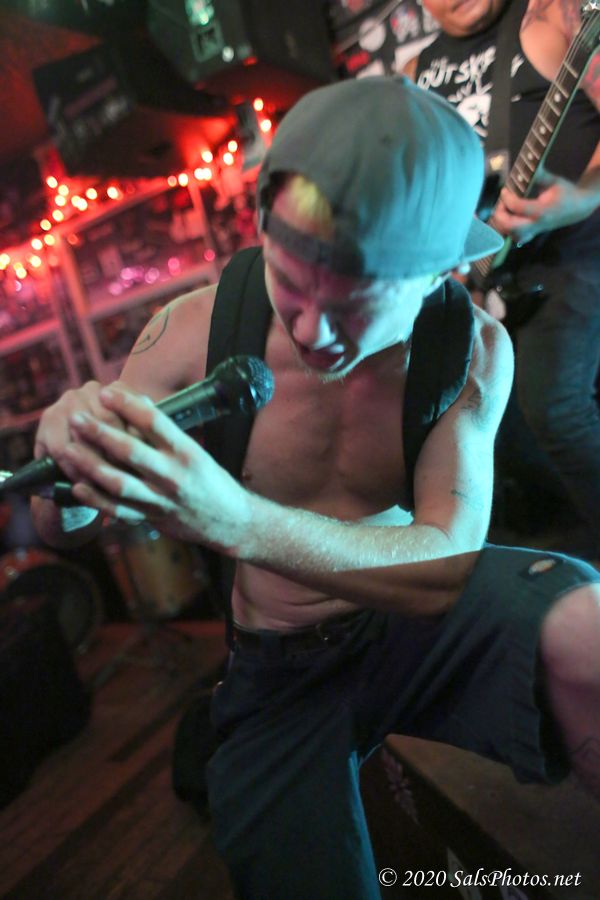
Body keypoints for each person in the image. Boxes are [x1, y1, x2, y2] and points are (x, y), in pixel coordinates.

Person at [31, 77, 600, 899]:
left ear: (441, 273)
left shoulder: (470, 349)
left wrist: (234, 519)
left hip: (412, 630)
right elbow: (64, 526)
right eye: (289, 288)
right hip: (280, 668)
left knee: (585, 621)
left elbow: (445, 565)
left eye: (353, 308)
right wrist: (68, 463)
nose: (309, 331)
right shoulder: (191, 329)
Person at [405, 0, 600, 558]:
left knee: (557, 410)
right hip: (491, 278)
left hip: (576, 252)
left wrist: (582, 197)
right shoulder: (418, 74)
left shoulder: (549, 19)